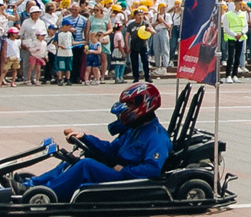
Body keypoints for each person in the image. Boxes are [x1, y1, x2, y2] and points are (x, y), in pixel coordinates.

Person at [24, 82, 173, 202]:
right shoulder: (135, 129)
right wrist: (85, 138)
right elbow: (111, 149)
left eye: (130, 105)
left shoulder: (157, 137)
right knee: (72, 162)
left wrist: (123, 170)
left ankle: (46, 194)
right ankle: (32, 184)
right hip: (118, 170)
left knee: (86, 165)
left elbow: (152, 169)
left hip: (128, 179)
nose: (126, 109)